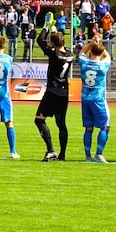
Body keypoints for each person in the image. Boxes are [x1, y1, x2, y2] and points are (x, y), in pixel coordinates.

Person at [34, 22, 74, 161]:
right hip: (64, 93)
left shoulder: (53, 54)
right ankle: (62, 155)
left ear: (53, 43)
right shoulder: (70, 54)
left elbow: (40, 40)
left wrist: (46, 26)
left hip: (52, 91)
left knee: (39, 120)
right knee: (61, 123)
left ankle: (51, 150)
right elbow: (60, 46)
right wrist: (56, 32)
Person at [78, 36, 112, 163]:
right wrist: (100, 45)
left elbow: (82, 52)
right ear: (101, 52)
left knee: (88, 128)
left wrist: (91, 43)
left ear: (91, 52)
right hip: (98, 100)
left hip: (85, 99)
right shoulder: (103, 65)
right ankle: (98, 154)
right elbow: (108, 57)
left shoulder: (84, 63)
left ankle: (87, 156)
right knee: (105, 127)